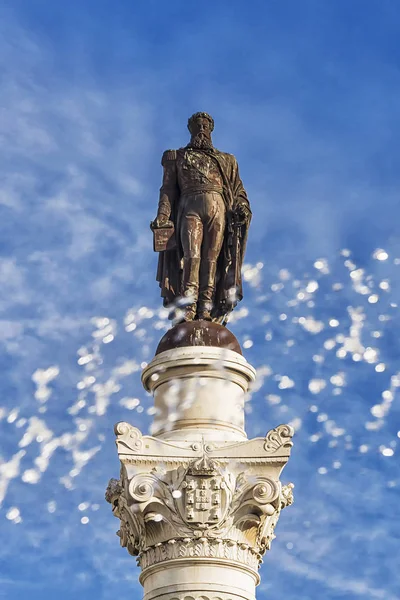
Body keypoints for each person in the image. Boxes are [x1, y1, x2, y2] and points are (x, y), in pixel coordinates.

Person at [152, 112, 251, 323]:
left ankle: (206, 308)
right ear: (191, 129)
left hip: (218, 207)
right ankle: (189, 306)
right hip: (190, 204)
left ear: (211, 129)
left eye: (205, 126)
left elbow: (238, 191)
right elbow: (168, 189)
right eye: (198, 125)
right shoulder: (176, 156)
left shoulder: (227, 160)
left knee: (212, 259)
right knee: (191, 256)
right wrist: (162, 215)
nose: (202, 130)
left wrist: (241, 207)